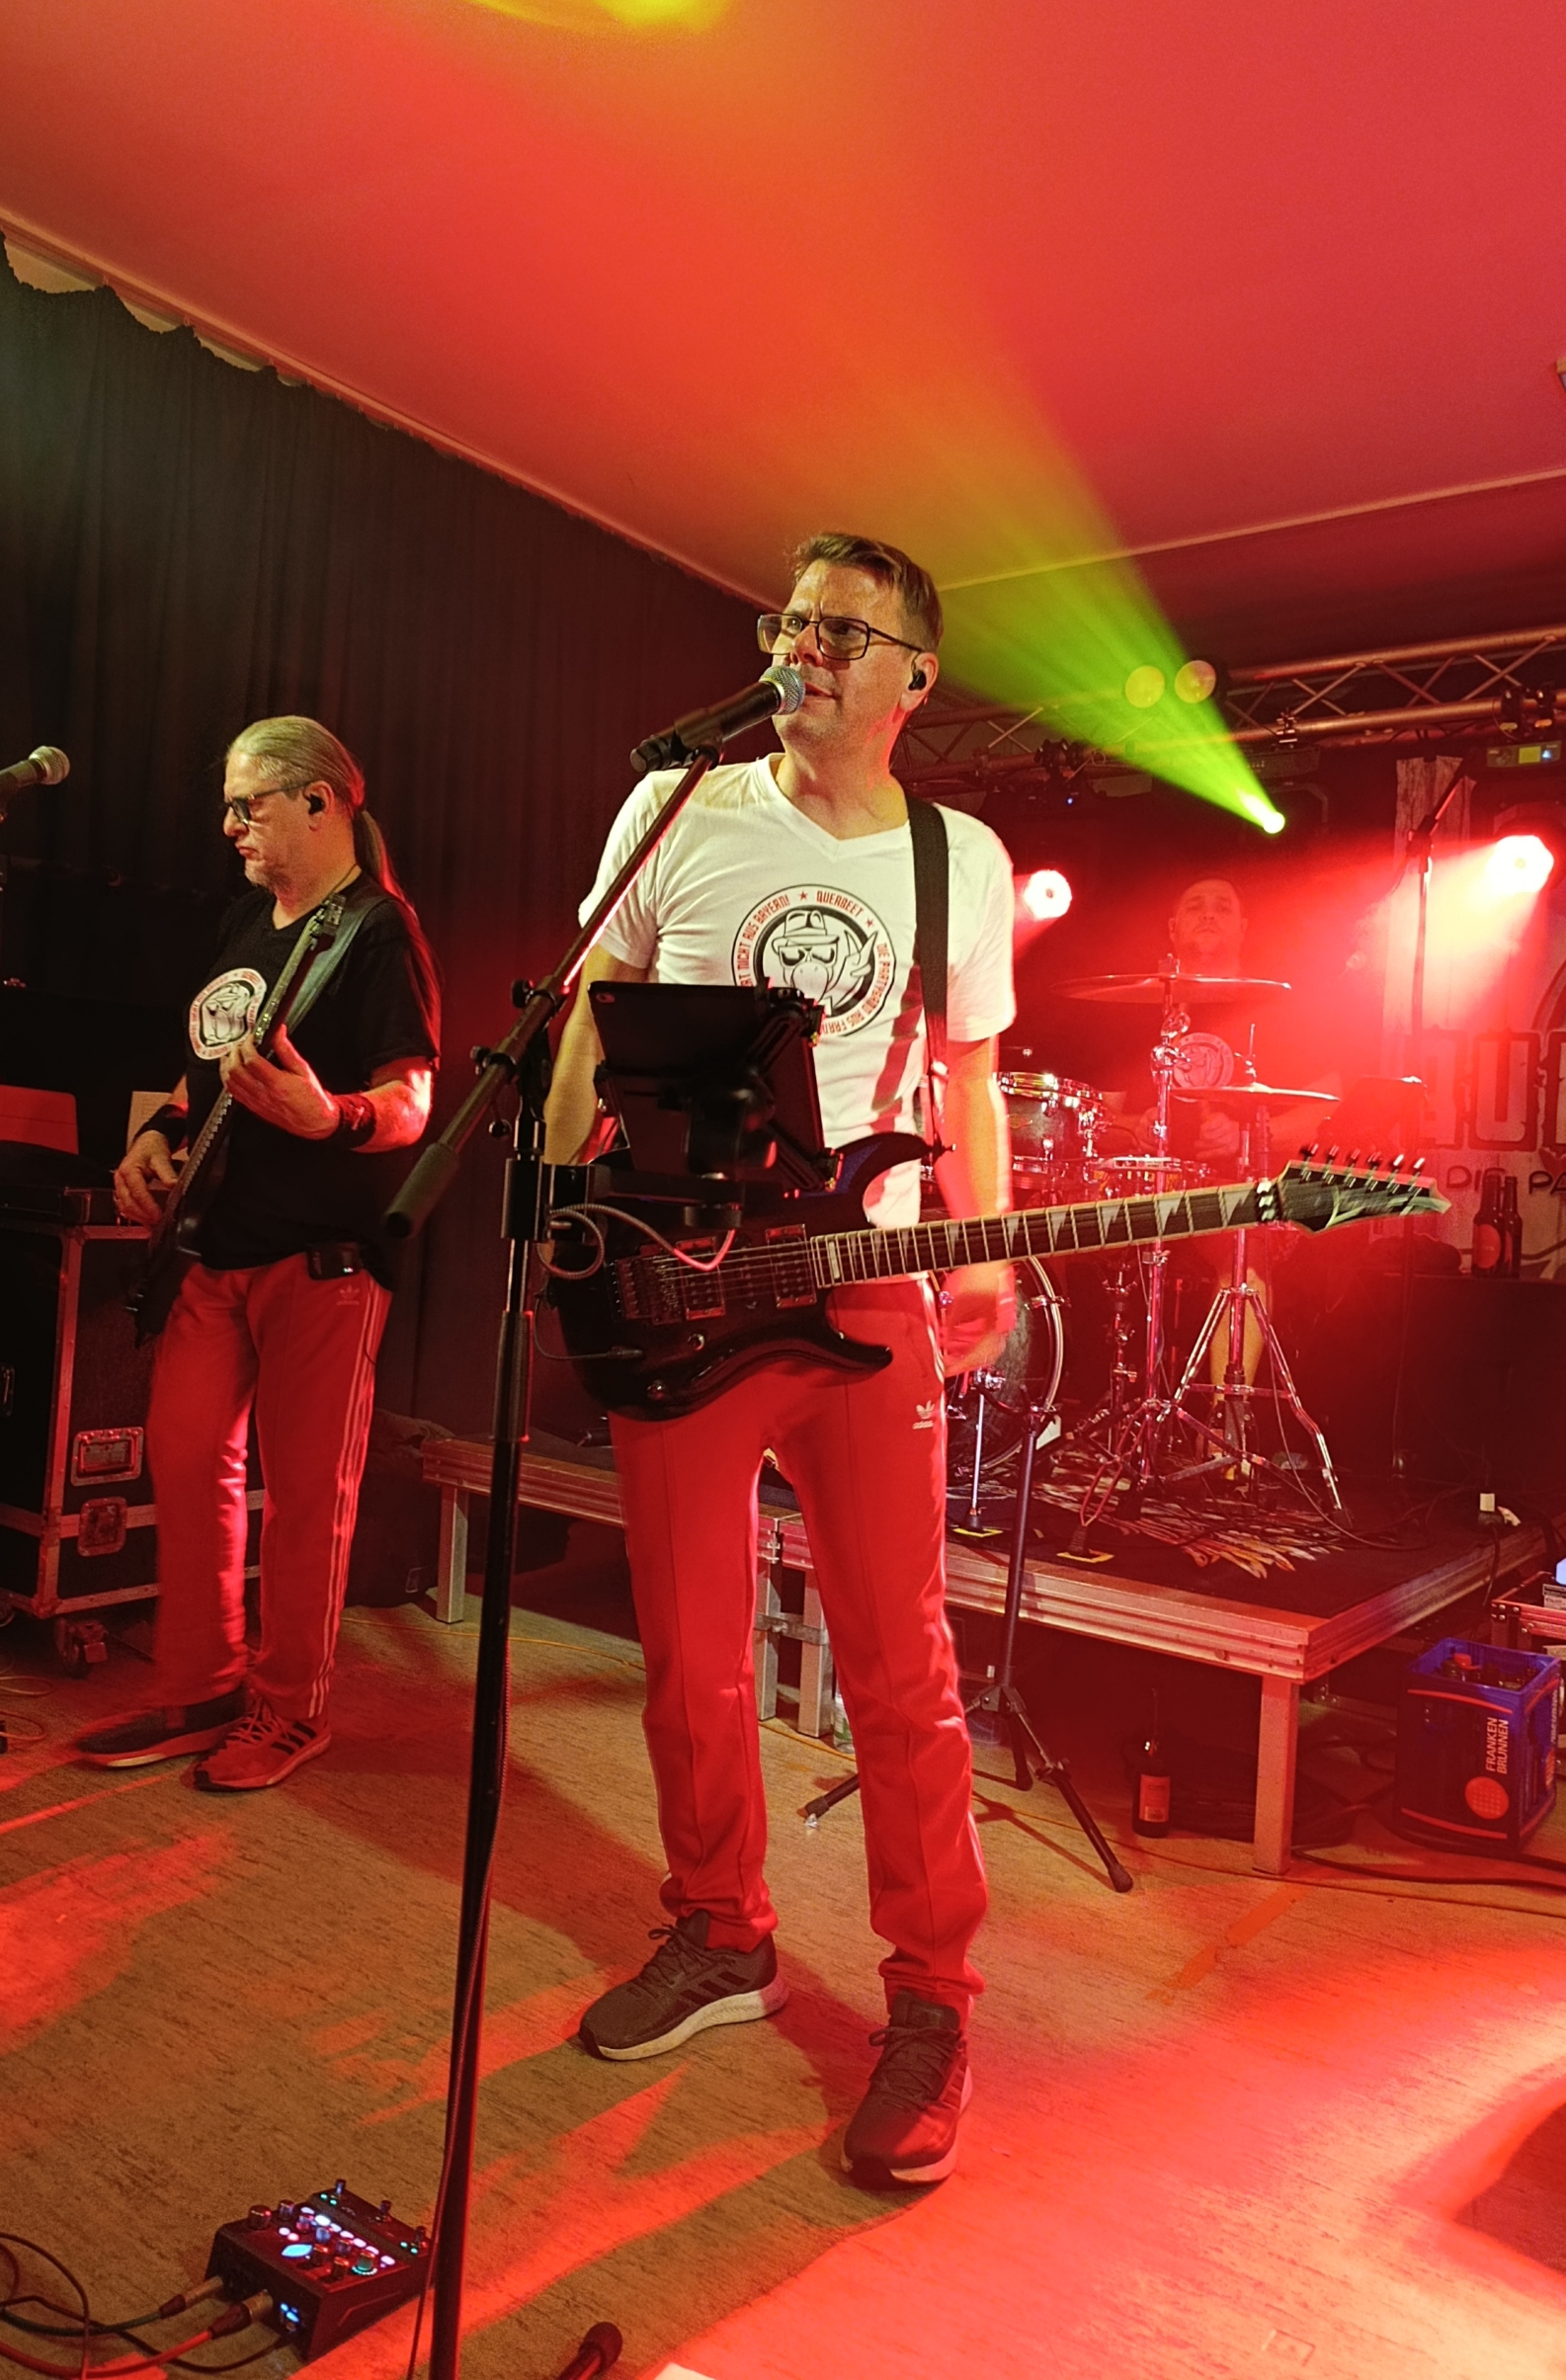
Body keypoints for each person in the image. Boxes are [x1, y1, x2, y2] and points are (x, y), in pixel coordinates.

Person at [544, 532, 1017, 2187]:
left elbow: (965, 1074)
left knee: (899, 1663)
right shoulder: (676, 806)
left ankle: (933, 1997)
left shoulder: (958, 858)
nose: (804, 648)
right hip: (680, 1278)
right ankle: (721, 1932)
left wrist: (983, 1243)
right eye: (791, 621)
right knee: (691, 1650)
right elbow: (591, 1016)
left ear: (912, 679)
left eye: (843, 630)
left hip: (860, 1287)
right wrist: (558, 1200)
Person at [76, 718, 439, 1791]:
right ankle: (199, 1688)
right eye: (229, 807)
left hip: (321, 1262)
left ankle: (289, 1712)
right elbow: (204, 1073)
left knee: (307, 1500)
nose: (230, 825)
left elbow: (414, 1099)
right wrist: (154, 1136)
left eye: (249, 804)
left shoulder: (377, 930)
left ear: (321, 801)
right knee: (186, 1464)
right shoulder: (244, 919)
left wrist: (331, 1116)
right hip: (213, 1249)